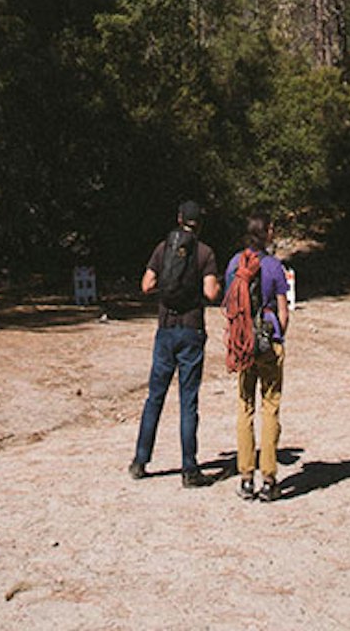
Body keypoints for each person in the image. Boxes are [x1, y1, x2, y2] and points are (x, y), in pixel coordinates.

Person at [129, 198, 221, 487]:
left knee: (154, 397)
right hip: (191, 330)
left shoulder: (163, 248)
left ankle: (140, 461)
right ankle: (189, 468)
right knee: (188, 401)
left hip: (166, 328)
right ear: (200, 223)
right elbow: (211, 294)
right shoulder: (205, 253)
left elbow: (146, 285)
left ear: (179, 218)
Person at [223, 214, 290, 502]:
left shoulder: (234, 265)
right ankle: (269, 478)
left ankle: (246, 476)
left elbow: (228, 305)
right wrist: (278, 337)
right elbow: (283, 311)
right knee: (270, 407)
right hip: (268, 342)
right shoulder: (274, 266)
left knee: (245, 407)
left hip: (243, 342)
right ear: (266, 234)